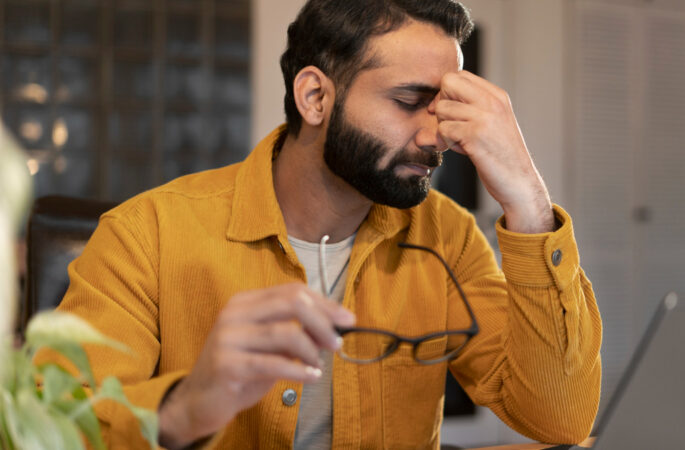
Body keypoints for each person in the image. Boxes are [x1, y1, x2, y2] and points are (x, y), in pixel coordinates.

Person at [54, 0, 602, 448]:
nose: (436, 135)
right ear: (314, 97)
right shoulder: (145, 234)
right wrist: (188, 406)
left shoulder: (448, 236)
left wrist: (528, 201)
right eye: (409, 101)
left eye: (443, 107)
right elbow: (55, 432)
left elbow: (558, 419)